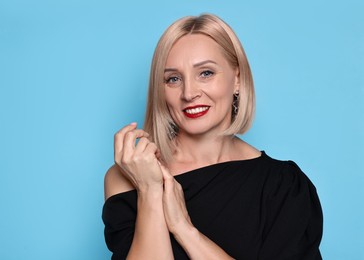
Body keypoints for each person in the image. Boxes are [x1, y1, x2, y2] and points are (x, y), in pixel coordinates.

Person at [102, 14, 323, 259]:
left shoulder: (283, 185)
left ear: (237, 79)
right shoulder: (128, 177)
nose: (189, 93)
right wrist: (150, 191)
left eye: (205, 73)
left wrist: (184, 229)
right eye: (173, 79)